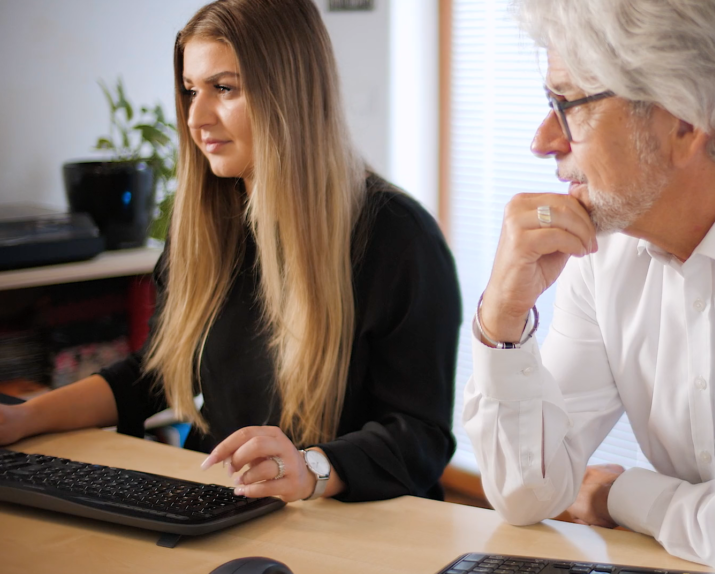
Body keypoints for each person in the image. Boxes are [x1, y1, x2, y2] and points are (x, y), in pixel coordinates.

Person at [0, 0, 461, 504]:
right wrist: (23, 418)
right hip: (223, 502)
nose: (196, 118)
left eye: (224, 89)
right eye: (191, 90)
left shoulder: (399, 237)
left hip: (350, 522)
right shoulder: (207, 225)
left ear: (291, 93)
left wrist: (311, 469)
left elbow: (419, 435)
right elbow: (154, 373)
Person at [462, 0, 715, 567]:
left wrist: (625, 493)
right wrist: (503, 317)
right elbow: (529, 493)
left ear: (683, 119)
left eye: (569, 105)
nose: (543, 140)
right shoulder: (604, 256)